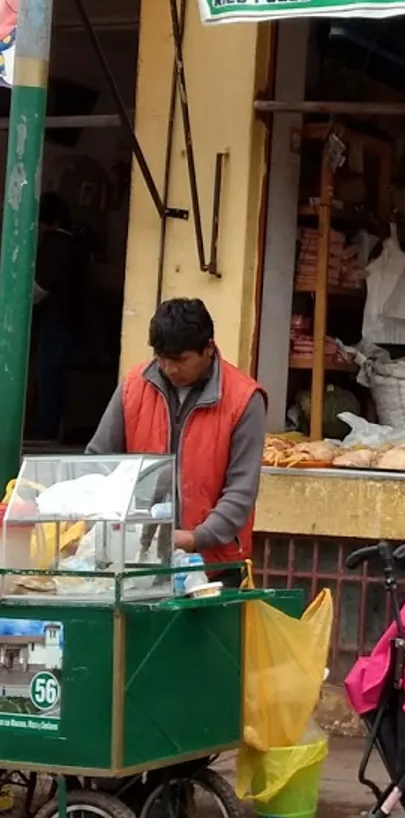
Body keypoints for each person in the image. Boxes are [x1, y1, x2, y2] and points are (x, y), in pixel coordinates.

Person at [86, 298, 267, 586]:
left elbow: (241, 492)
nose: (169, 368)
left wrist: (196, 539)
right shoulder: (133, 386)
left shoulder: (244, 400)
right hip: (136, 563)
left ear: (208, 349)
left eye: (180, 360)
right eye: (161, 358)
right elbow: (98, 461)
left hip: (215, 567)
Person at [29, 193, 86, 441]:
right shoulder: (77, 244)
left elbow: (42, 285)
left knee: (48, 373)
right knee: (58, 375)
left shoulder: (55, 244)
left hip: (55, 319)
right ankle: (53, 428)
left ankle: (45, 430)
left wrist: (17, 303)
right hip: (72, 318)